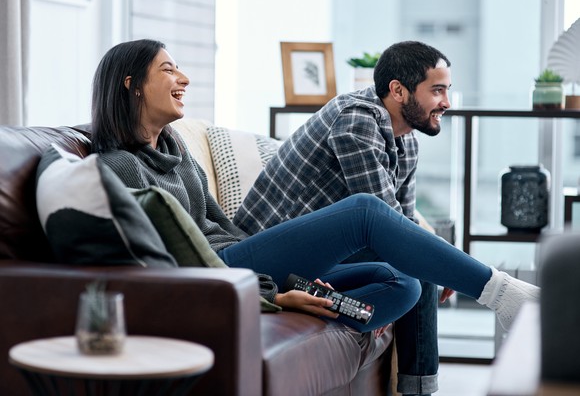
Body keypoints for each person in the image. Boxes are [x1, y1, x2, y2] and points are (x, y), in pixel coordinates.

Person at [91, 39, 539, 396]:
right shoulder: (119, 166)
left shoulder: (175, 150)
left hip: (249, 262)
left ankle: (360, 332)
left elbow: (219, 226)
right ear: (131, 84)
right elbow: (164, 261)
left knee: (404, 282)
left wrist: (294, 282)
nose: (183, 78)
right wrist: (271, 294)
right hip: (228, 273)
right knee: (366, 212)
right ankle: (500, 293)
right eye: (168, 69)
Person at [232, 40, 502, 395]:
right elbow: (385, 227)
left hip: (321, 263)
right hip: (274, 259)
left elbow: (402, 224)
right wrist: (440, 261)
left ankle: (418, 389)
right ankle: (497, 293)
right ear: (398, 90)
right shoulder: (356, 118)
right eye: (437, 91)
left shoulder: (408, 143)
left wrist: (436, 258)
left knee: (411, 278)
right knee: (418, 260)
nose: (446, 103)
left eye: (447, 90)